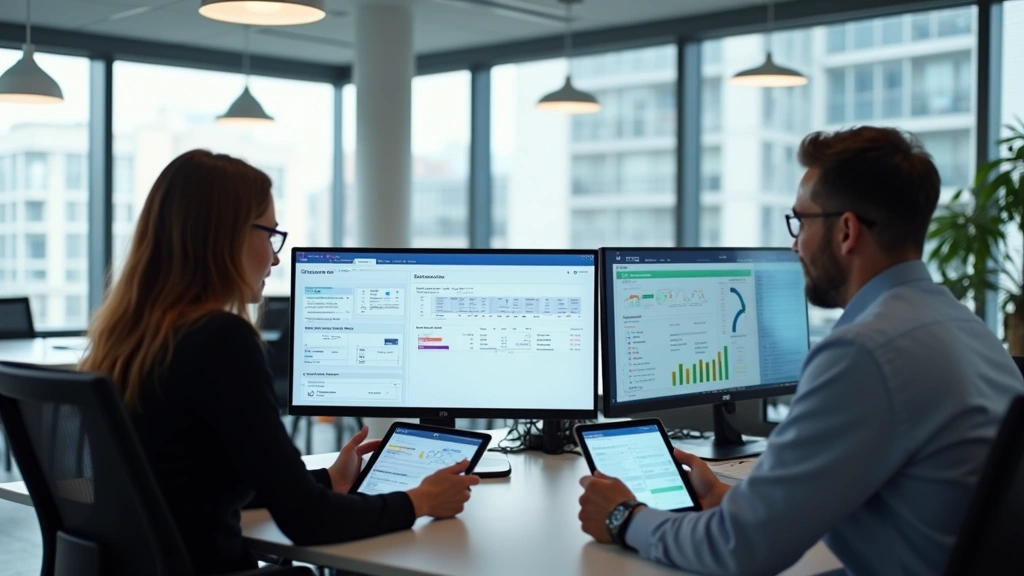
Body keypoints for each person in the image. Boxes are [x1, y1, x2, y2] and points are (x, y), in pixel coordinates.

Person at [577, 127, 1024, 576]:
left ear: (846, 231)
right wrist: (729, 500)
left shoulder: (862, 353)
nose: (795, 245)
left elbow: (738, 552)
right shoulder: (967, 328)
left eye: (801, 222)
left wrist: (624, 517)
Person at [80, 150, 479, 575]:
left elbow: (186, 489)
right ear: (225, 236)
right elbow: (309, 522)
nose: (275, 257)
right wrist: (419, 500)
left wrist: (328, 479)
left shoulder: (127, 340)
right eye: (269, 234)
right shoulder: (220, 341)